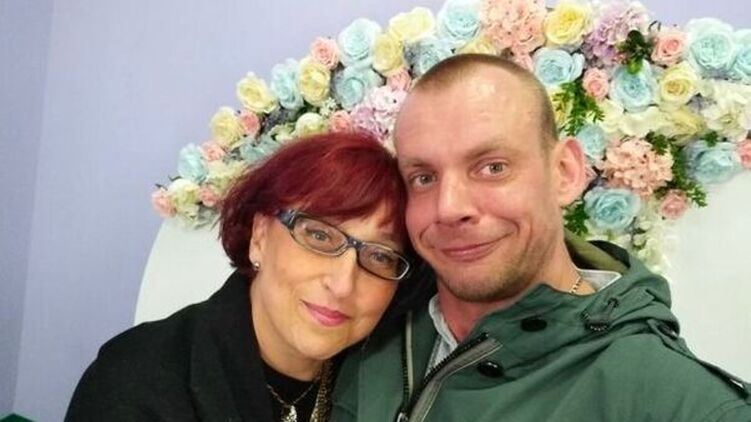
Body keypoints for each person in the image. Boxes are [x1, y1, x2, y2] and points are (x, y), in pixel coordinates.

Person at [331, 54, 751, 421]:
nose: (449, 207)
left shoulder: (677, 402)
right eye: (423, 177)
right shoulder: (368, 330)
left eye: (492, 167)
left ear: (565, 173)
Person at [65, 132, 424, 421]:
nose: (343, 284)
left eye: (379, 255)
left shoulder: (381, 382)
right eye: (318, 235)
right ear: (260, 236)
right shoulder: (137, 381)